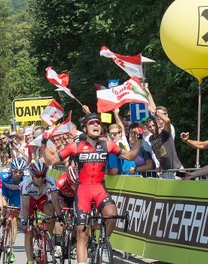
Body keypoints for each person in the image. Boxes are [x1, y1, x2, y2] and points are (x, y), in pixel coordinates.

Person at [41, 112, 142, 264]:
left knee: (112, 215)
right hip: (83, 191)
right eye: (92, 122)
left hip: (99, 188)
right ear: (84, 128)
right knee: (82, 234)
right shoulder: (75, 146)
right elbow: (51, 160)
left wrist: (139, 140)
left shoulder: (107, 144)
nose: (96, 124)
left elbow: (130, 156)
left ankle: (104, 245)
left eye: (98, 122)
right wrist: (43, 143)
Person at [20, 161, 63, 264]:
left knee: (51, 211)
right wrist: (26, 222)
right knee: (29, 232)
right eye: (37, 176)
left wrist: (60, 216)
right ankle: (30, 260)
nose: (40, 179)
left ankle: (48, 236)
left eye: (42, 176)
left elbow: (55, 201)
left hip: (41, 199)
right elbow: (25, 206)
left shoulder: (50, 180)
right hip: (29, 201)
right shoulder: (26, 183)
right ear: (31, 175)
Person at [0, 157, 28, 262]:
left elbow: (27, 194)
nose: (17, 174)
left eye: (20, 172)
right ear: (11, 169)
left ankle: (10, 248)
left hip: (16, 195)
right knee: (2, 209)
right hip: (4, 191)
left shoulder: (26, 177)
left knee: (14, 220)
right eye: (15, 171)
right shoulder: (4, 175)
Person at [146, 109, 183, 179]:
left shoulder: (165, 133)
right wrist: (160, 166)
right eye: (149, 127)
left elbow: (167, 121)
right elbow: (160, 154)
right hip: (165, 171)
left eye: (153, 125)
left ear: (157, 124)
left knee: (185, 187)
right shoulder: (151, 139)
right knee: (168, 190)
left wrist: (156, 113)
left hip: (177, 169)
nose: (152, 128)